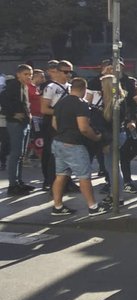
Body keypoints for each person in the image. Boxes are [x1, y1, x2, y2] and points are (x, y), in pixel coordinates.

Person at [50, 77, 107, 216]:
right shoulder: (81, 104)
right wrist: (96, 137)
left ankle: (57, 206)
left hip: (58, 142)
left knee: (61, 175)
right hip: (74, 144)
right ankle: (93, 207)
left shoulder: (61, 103)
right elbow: (84, 128)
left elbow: (54, 124)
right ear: (84, 89)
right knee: (84, 177)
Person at [40, 60, 73, 192]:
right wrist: (62, 112)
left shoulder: (70, 86)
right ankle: (50, 181)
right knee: (52, 152)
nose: (68, 74)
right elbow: (44, 109)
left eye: (70, 72)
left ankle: (66, 181)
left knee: (67, 153)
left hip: (66, 123)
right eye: (66, 72)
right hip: (52, 122)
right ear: (58, 72)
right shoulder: (51, 87)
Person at [1, 64, 34, 196]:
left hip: (24, 122)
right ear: (18, 74)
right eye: (26, 74)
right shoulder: (13, 86)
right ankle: (12, 185)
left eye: (30, 74)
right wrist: (12, 114)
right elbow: (3, 100)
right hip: (15, 123)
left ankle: (18, 182)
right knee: (16, 154)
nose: (28, 77)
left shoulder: (24, 86)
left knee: (21, 154)